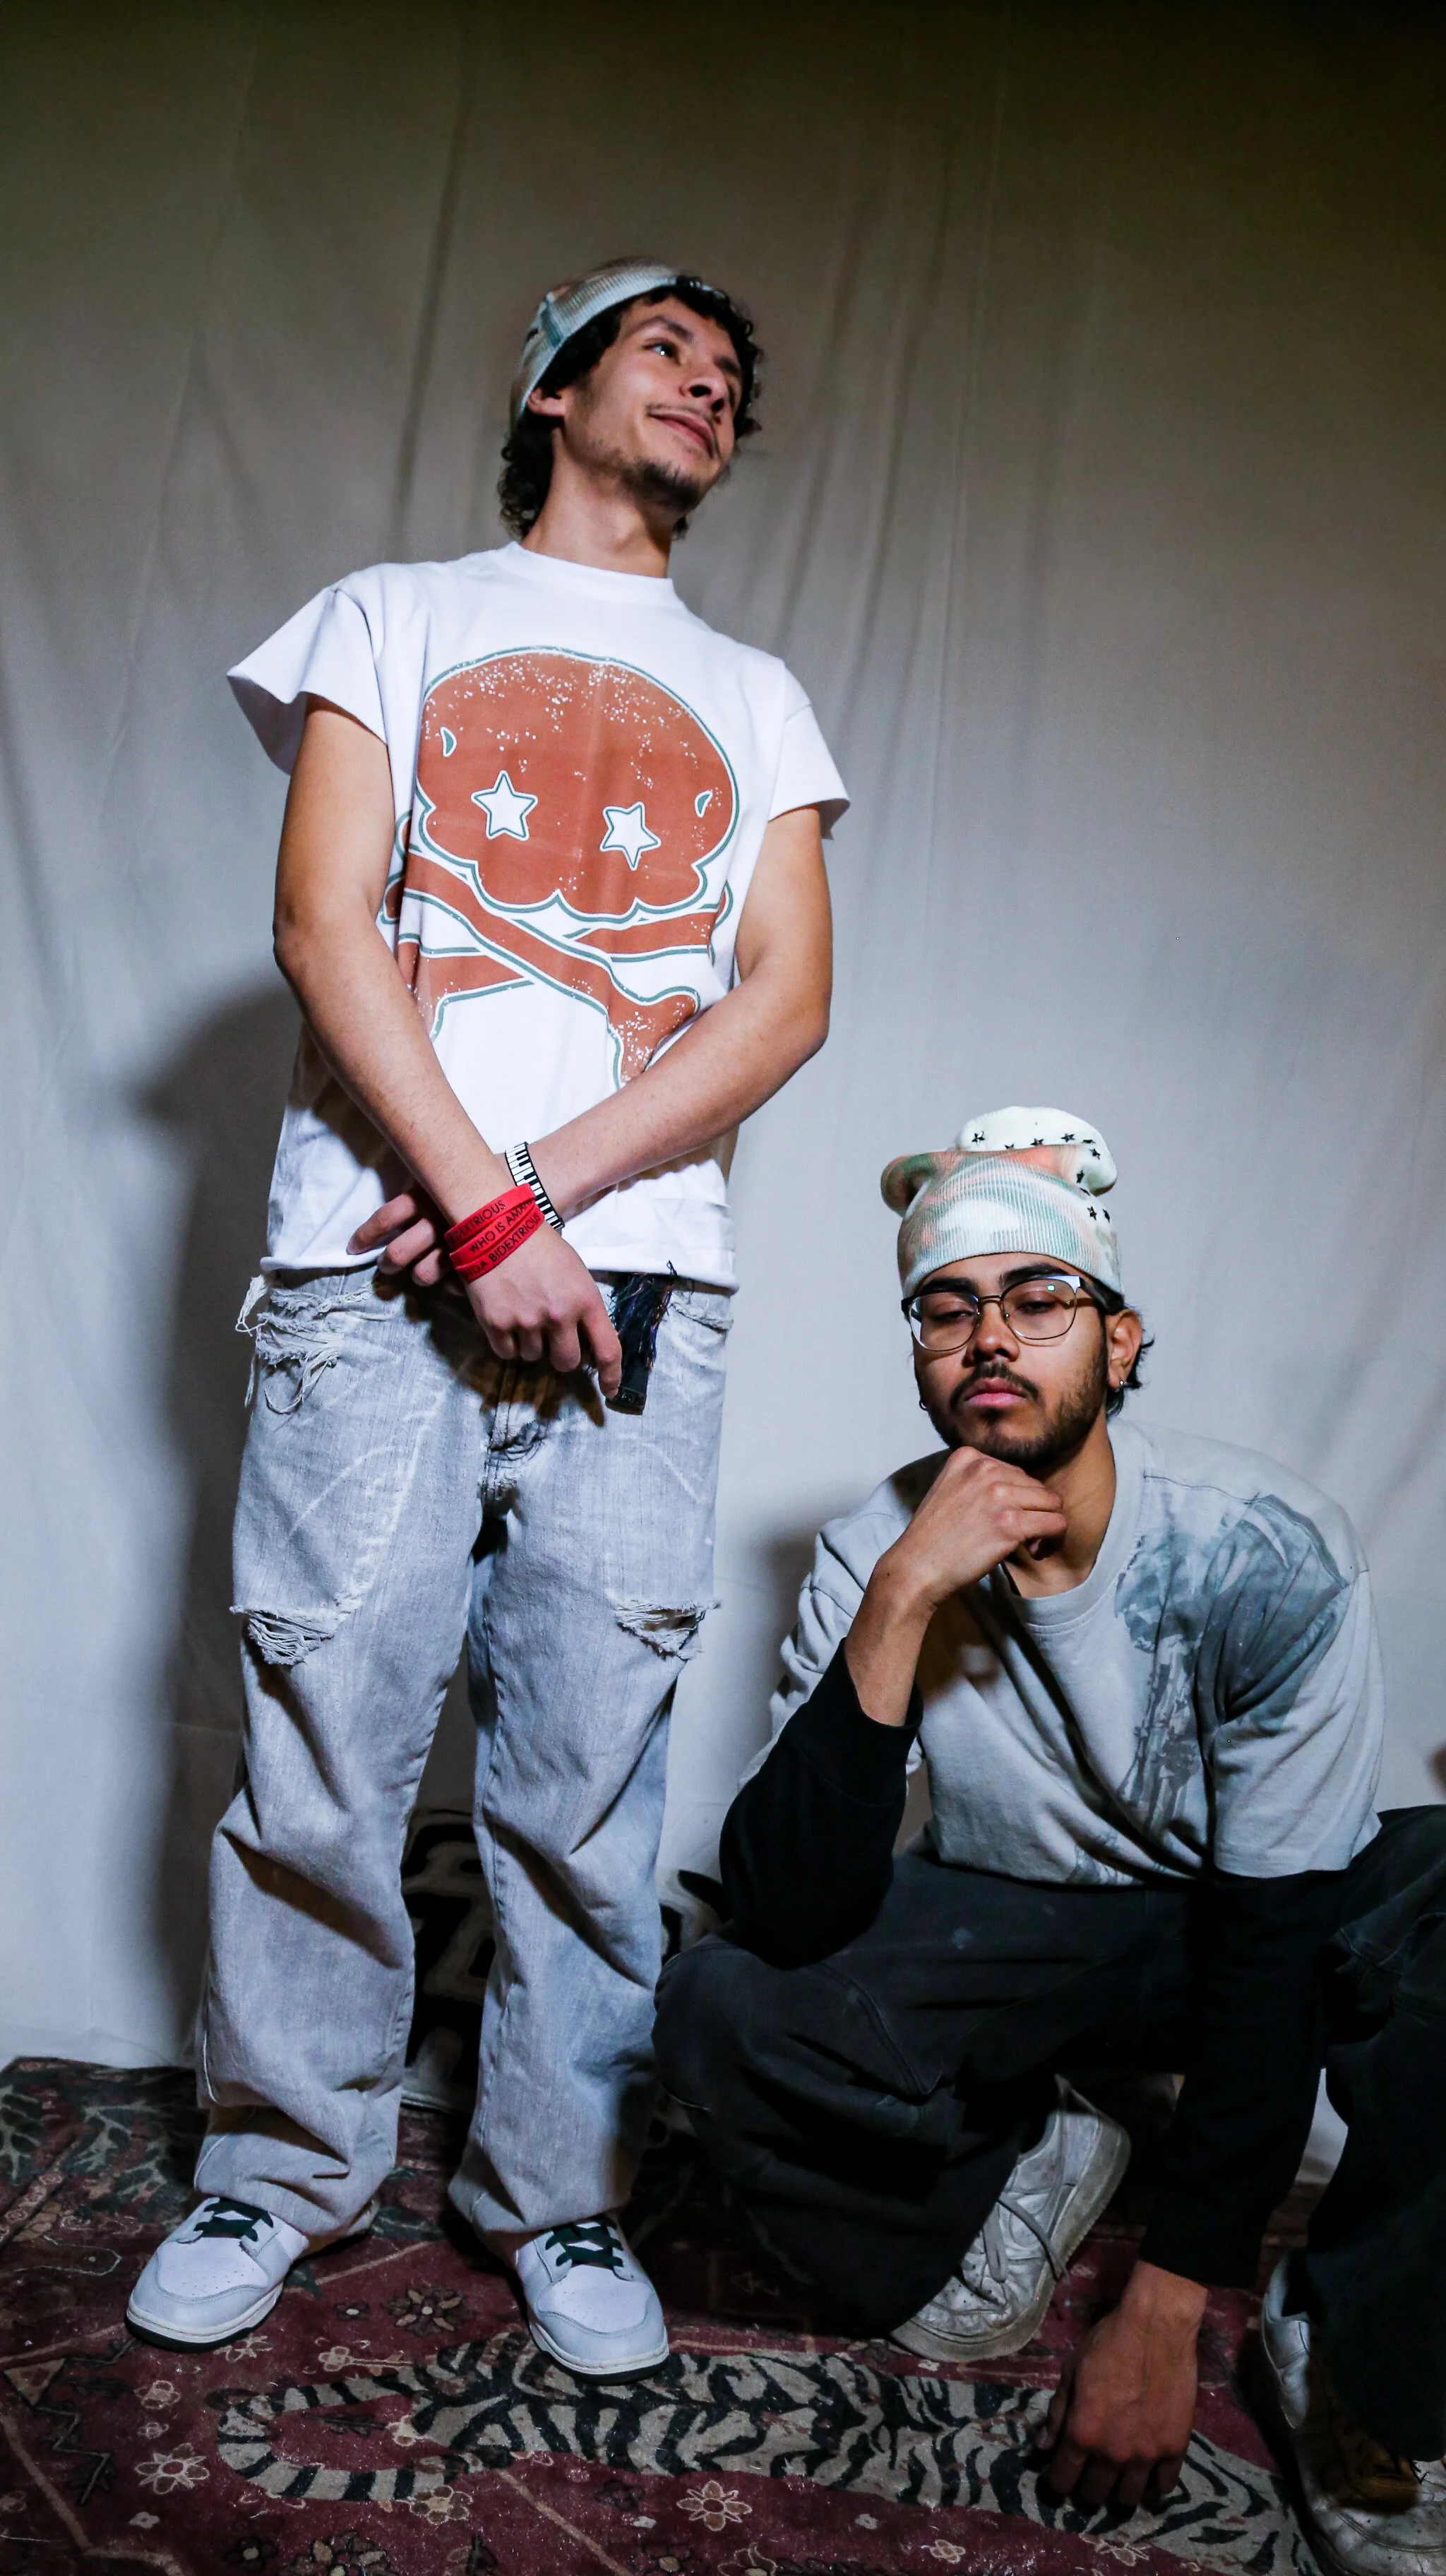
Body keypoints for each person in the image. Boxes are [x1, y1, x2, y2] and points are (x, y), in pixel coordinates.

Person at [126, 260, 846, 2378]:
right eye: (665, 349)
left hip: (643, 1282)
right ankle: (276, 2169)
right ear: (552, 388)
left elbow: (785, 1003)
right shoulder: (396, 612)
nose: (710, 384)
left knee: (586, 1770)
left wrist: (547, 1200)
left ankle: (562, 2201)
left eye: (735, 372)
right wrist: (473, 1202)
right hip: (373, 1269)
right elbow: (320, 920)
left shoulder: (764, 693)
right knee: (329, 1738)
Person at [655, 1107, 1446, 2576]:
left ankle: (1348, 2331)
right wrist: (899, 1599)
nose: (988, 1339)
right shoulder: (873, 1551)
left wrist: (1165, 2298)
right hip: (1020, 1926)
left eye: (1038, 1299)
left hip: (1246, 1919)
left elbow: (1277, 1943)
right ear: (916, 1352)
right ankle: (1045, 2134)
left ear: (1121, 1343)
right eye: (947, 1308)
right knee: (714, 2003)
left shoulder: (1259, 1547)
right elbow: (785, 1906)